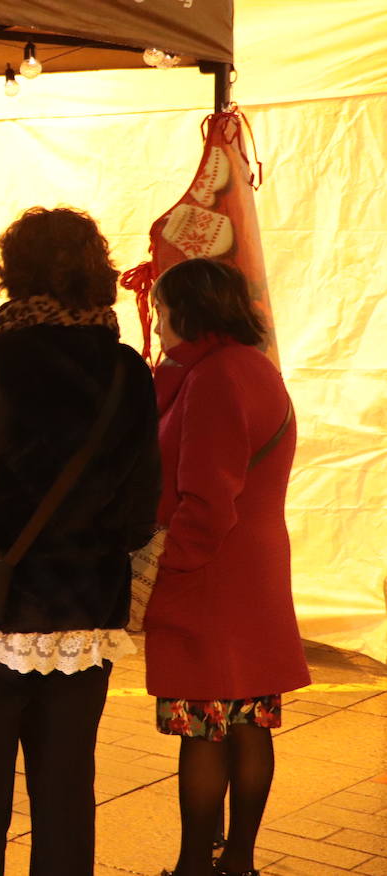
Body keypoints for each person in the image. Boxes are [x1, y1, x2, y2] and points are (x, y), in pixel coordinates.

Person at [0, 207, 161, 873]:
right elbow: (139, 515)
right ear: (98, 277)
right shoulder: (129, 372)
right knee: (68, 795)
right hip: (86, 616)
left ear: (13, 276)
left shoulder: (0, 363)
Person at [147, 258, 309, 876]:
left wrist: (169, 573)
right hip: (254, 570)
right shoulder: (255, 367)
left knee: (204, 724)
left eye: (162, 311)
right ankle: (237, 862)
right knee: (247, 718)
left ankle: (195, 866)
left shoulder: (214, 377)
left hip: (212, 570)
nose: (158, 324)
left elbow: (207, 498)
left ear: (190, 310)